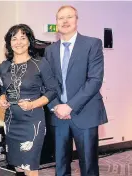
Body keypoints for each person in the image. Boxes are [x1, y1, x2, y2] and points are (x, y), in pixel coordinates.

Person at [44, 5, 107, 176]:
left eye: (69, 17)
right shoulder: (49, 50)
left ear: (76, 20)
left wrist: (70, 106)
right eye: (60, 18)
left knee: (88, 166)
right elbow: (47, 82)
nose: (65, 21)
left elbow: (94, 80)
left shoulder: (92, 44)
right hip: (58, 115)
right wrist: (57, 106)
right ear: (56, 22)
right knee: (61, 166)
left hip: (85, 113)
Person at [0, 24, 59, 176]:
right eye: (14, 38)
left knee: (30, 166)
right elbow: (2, 90)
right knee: (18, 166)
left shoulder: (40, 64)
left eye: (23, 38)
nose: (18, 42)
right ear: (9, 43)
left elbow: (53, 90)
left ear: (29, 41)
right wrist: (2, 98)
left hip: (33, 122)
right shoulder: (3, 66)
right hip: (11, 122)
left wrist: (33, 104)